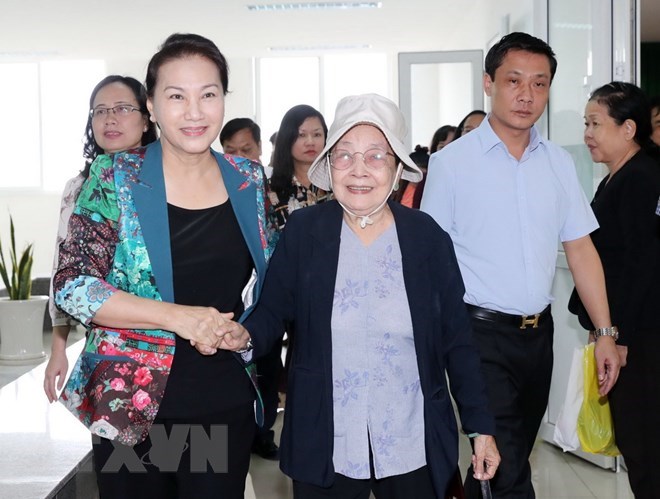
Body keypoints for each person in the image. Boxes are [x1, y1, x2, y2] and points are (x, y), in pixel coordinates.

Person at [218, 93, 501, 498]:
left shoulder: (427, 239)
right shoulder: (304, 232)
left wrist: (480, 426)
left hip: (411, 437)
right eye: (345, 156)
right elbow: (272, 311)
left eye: (375, 156)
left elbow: (458, 341)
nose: (359, 171)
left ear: (398, 167)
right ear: (329, 166)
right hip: (326, 438)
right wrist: (243, 336)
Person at [53, 33, 276, 498]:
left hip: (218, 402)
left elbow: (267, 282)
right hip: (132, 406)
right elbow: (73, 284)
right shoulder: (116, 175)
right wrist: (179, 317)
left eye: (208, 95)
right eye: (176, 96)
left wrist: (247, 331)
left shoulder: (248, 178)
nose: (194, 112)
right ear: (151, 106)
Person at [421, 32, 621, 499]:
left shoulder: (558, 163)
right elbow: (428, 258)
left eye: (540, 83)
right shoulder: (452, 164)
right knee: (509, 468)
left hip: (538, 335)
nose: (527, 95)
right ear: (488, 83)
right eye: (514, 81)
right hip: (477, 334)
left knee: (499, 459)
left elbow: (581, 249)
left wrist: (606, 333)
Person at [44, 75, 157, 404]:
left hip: (169, 343)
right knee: (119, 448)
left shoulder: (168, 180)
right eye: (100, 111)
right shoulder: (78, 188)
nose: (110, 118)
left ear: (147, 118)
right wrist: (58, 349)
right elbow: (63, 269)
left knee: (187, 450)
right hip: (107, 343)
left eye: (123, 108)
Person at [571, 81, 660, 499]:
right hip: (627, 332)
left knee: (644, 441)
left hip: (641, 338)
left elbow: (642, 264)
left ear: (628, 129)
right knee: (636, 440)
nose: (587, 133)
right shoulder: (616, 177)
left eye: (595, 123)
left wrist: (616, 334)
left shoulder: (642, 177)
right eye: (585, 123)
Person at [220, 116, 281, 460]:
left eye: (246, 149)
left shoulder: (266, 188)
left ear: (259, 149)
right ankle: (242, 431)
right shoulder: (218, 187)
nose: (240, 156)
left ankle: (264, 431)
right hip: (232, 299)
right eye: (231, 150)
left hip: (266, 296)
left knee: (268, 367)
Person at [268, 104, 329, 230]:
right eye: (301, 135)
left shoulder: (337, 184)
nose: (310, 142)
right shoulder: (270, 190)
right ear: (287, 139)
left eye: (317, 135)